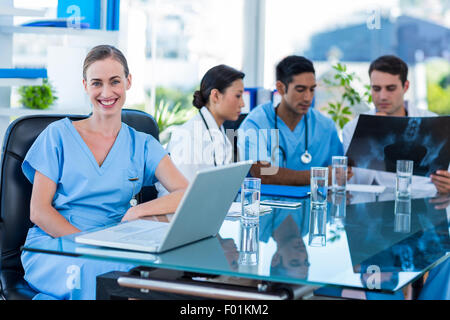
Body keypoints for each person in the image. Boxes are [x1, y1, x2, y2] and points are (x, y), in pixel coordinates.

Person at [20, 45, 188, 300]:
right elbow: (39, 211)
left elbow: (186, 192)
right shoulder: (57, 136)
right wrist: (90, 244)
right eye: (97, 83)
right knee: (122, 278)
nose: (106, 92)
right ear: (85, 85)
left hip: (115, 243)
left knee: (161, 274)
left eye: (115, 81)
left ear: (128, 82)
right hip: (57, 245)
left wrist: (139, 211)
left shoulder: (142, 144)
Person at [342, 55, 450, 195]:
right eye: (376, 89)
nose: (382, 96)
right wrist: (372, 133)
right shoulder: (353, 128)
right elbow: (353, 183)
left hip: (423, 201)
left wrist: (447, 186)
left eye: (390, 88)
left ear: (405, 87)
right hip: (372, 204)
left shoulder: (434, 123)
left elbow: (446, 175)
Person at [237, 55, 350, 185]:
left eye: (312, 89)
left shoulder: (325, 126)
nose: (308, 98)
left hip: (313, 204)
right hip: (265, 204)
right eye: (300, 90)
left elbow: (339, 171)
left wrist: (343, 173)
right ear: (280, 88)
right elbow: (263, 173)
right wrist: (319, 176)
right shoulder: (256, 123)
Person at [157, 65, 244, 197]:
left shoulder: (220, 133)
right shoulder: (188, 136)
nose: (242, 103)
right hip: (178, 214)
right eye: (238, 96)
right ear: (215, 96)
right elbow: (181, 196)